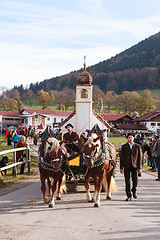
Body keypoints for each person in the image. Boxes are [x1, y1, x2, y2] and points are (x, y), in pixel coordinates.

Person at [120, 132, 142, 201]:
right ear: (127, 138)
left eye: (131, 137)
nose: (130, 139)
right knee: (127, 181)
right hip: (126, 166)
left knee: (135, 180)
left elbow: (140, 157)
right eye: (129, 137)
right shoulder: (124, 146)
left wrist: (140, 168)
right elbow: (121, 157)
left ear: (133, 138)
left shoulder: (137, 146)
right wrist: (121, 167)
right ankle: (128, 195)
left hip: (135, 165)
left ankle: (134, 190)